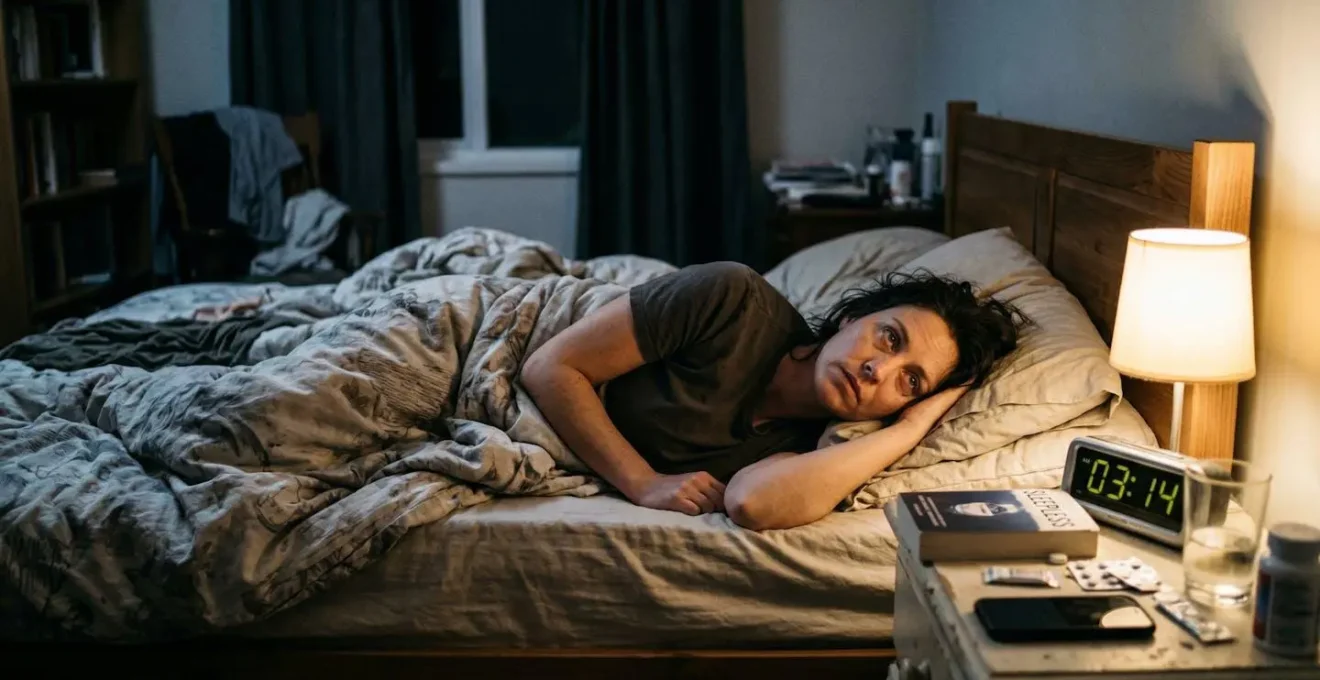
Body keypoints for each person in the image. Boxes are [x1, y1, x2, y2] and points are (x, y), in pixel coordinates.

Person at [521, 262, 1024, 530]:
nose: (878, 369)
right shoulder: (733, 299)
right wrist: (642, 482)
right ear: (853, 318)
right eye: (890, 337)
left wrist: (911, 430)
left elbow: (752, 502)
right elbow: (551, 366)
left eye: (910, 381)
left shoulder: (815, 448)